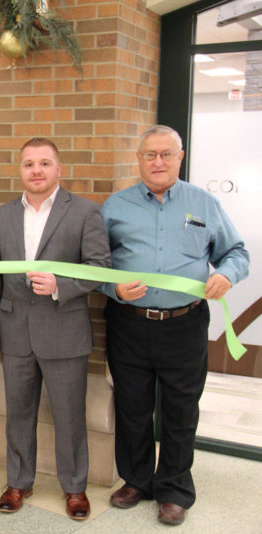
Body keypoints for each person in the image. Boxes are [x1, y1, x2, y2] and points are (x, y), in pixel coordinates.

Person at [100, 125, 249, 526]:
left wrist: (228, 275)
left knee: (181, 411)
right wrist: (113, 289)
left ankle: (175, 489)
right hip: (128, 323)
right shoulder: (115, 207)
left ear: (180, 157)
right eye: (150, 155)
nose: (158, 162)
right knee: (132, 407)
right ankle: (136, 481)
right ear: (139, 159)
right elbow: (93, 265)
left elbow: (236, 251)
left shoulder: (203, 203)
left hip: (185, 325)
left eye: (166, 154)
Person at [0, 138, 112, 521]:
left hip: (65, 333)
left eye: (44, 163)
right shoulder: (3, 215)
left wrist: (61, 286)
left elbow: (100, 267)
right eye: (29, 164)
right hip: (15, 331)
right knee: (18, 412)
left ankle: (75, 488)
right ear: (20, 170)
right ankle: (18, 481)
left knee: (70, 416)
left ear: (59, 169)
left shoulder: (85, 212)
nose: (36, 170)